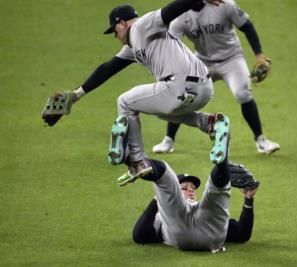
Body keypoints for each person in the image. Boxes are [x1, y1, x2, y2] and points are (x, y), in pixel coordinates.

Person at [49, 0, 227, 183]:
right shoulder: (132, 45)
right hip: (204, 88)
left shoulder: (142, 25)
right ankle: (209, 123)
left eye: (114, 30)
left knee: (124, 102)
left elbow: (172, 9)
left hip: (178, 86)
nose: (115, 35)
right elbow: (109, 68)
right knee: (159, 110)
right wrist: (76, 94)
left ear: (123, 23)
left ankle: (138, 160)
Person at [152, 0, 280, 155]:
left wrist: (259, 55)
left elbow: (246, 26)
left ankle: (261, 141)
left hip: (231, 58)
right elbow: (172, 46)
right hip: (202, 61)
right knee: (183, 94)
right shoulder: (180, 17)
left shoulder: (224, 4)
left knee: (243, 93)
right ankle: (168, 140)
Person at [123, 114, 258, 252]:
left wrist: (248, 198)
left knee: (216, 190)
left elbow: (242, 234)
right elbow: (139, 236)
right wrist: (157, 201)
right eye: (184, 187)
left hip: (206, 225)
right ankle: (139, 162)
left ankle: (222, 159)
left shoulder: (203, 209)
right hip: (190, 230)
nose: (191, 190)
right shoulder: (162, 215)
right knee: (166, 177)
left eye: (192, 187)